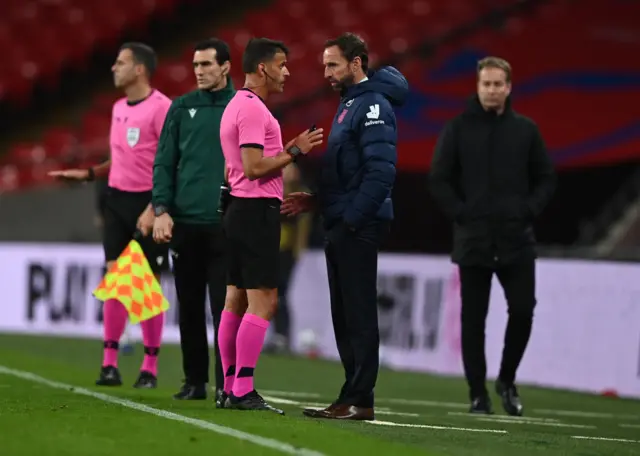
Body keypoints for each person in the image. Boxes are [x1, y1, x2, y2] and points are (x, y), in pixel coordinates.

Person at [281, 33, 408, 420]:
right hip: (340, 220)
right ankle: (351, 393)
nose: (326, 73)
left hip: (358, 225)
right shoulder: (350, 104)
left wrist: (351, 221)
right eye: (324, 65)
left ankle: (360, 398)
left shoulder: (371, 105)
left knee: (358, 312)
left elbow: (379, 173)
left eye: (333, 64)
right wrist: (317, 202)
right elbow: (350, 173)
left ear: (357, 63)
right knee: (345, 314)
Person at [429, 56, 556, 416]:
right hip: (474, 241)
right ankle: (477, 394)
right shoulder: (457, 129)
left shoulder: (526, 131)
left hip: (517, 239)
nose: (492, 90)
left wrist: (529, 209)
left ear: (509, 87)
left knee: (523, 310)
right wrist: (462, 213)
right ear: (477, 86)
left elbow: (546, 178)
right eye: (486, 84)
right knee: (474, 321)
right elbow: (439, 179)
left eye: (498, 84)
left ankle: (506, 379)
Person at [49, 42, 172, 388]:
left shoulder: (162, 108)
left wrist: (157, 207)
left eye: (120, 62)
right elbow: (120, 158)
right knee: (116, 280)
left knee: (146, 284)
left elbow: (170, 161)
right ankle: (109, 364)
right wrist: (89, 174)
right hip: (116, 200)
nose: (113, 68)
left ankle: (149, 367)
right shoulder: (118, 107)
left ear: (139, 70)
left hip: (148, 201)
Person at [217, 37, 324, 413]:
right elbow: (253, 167)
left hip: (238, 210)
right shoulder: (254, 111)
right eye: (282, 64)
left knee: (236, 300)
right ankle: (242, 388)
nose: (287, 72)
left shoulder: (237, 105)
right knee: (264, 302)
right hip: (253, 211)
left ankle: (230, 387)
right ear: (262, 68)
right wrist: (294, 149)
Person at [152, 38, 235, 406]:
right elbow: (164, 162)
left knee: (225, 310)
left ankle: (228, 385)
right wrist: (161, 209)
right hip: (185, 224)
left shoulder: (242, 107)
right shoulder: (181, 108)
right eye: (196, 65)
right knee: (188, 306)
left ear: (226, 67)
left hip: (226, 224)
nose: (199, 71)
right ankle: (194, 381)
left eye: (206, 65)